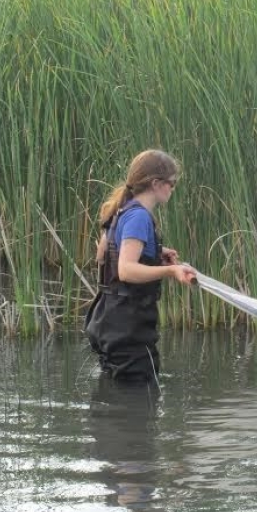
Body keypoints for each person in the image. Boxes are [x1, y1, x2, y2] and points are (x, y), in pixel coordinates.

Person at [85, 149, 196, 381]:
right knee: (139, 399)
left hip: (110, 321)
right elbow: (125, 270)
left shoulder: (124, 210)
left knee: (116, 398)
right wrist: (171, 270)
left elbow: (106, 256)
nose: (173, 189)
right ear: (156, 183)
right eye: (172, 183)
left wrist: (155, 253)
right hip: (127, 329)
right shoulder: (139, 217)